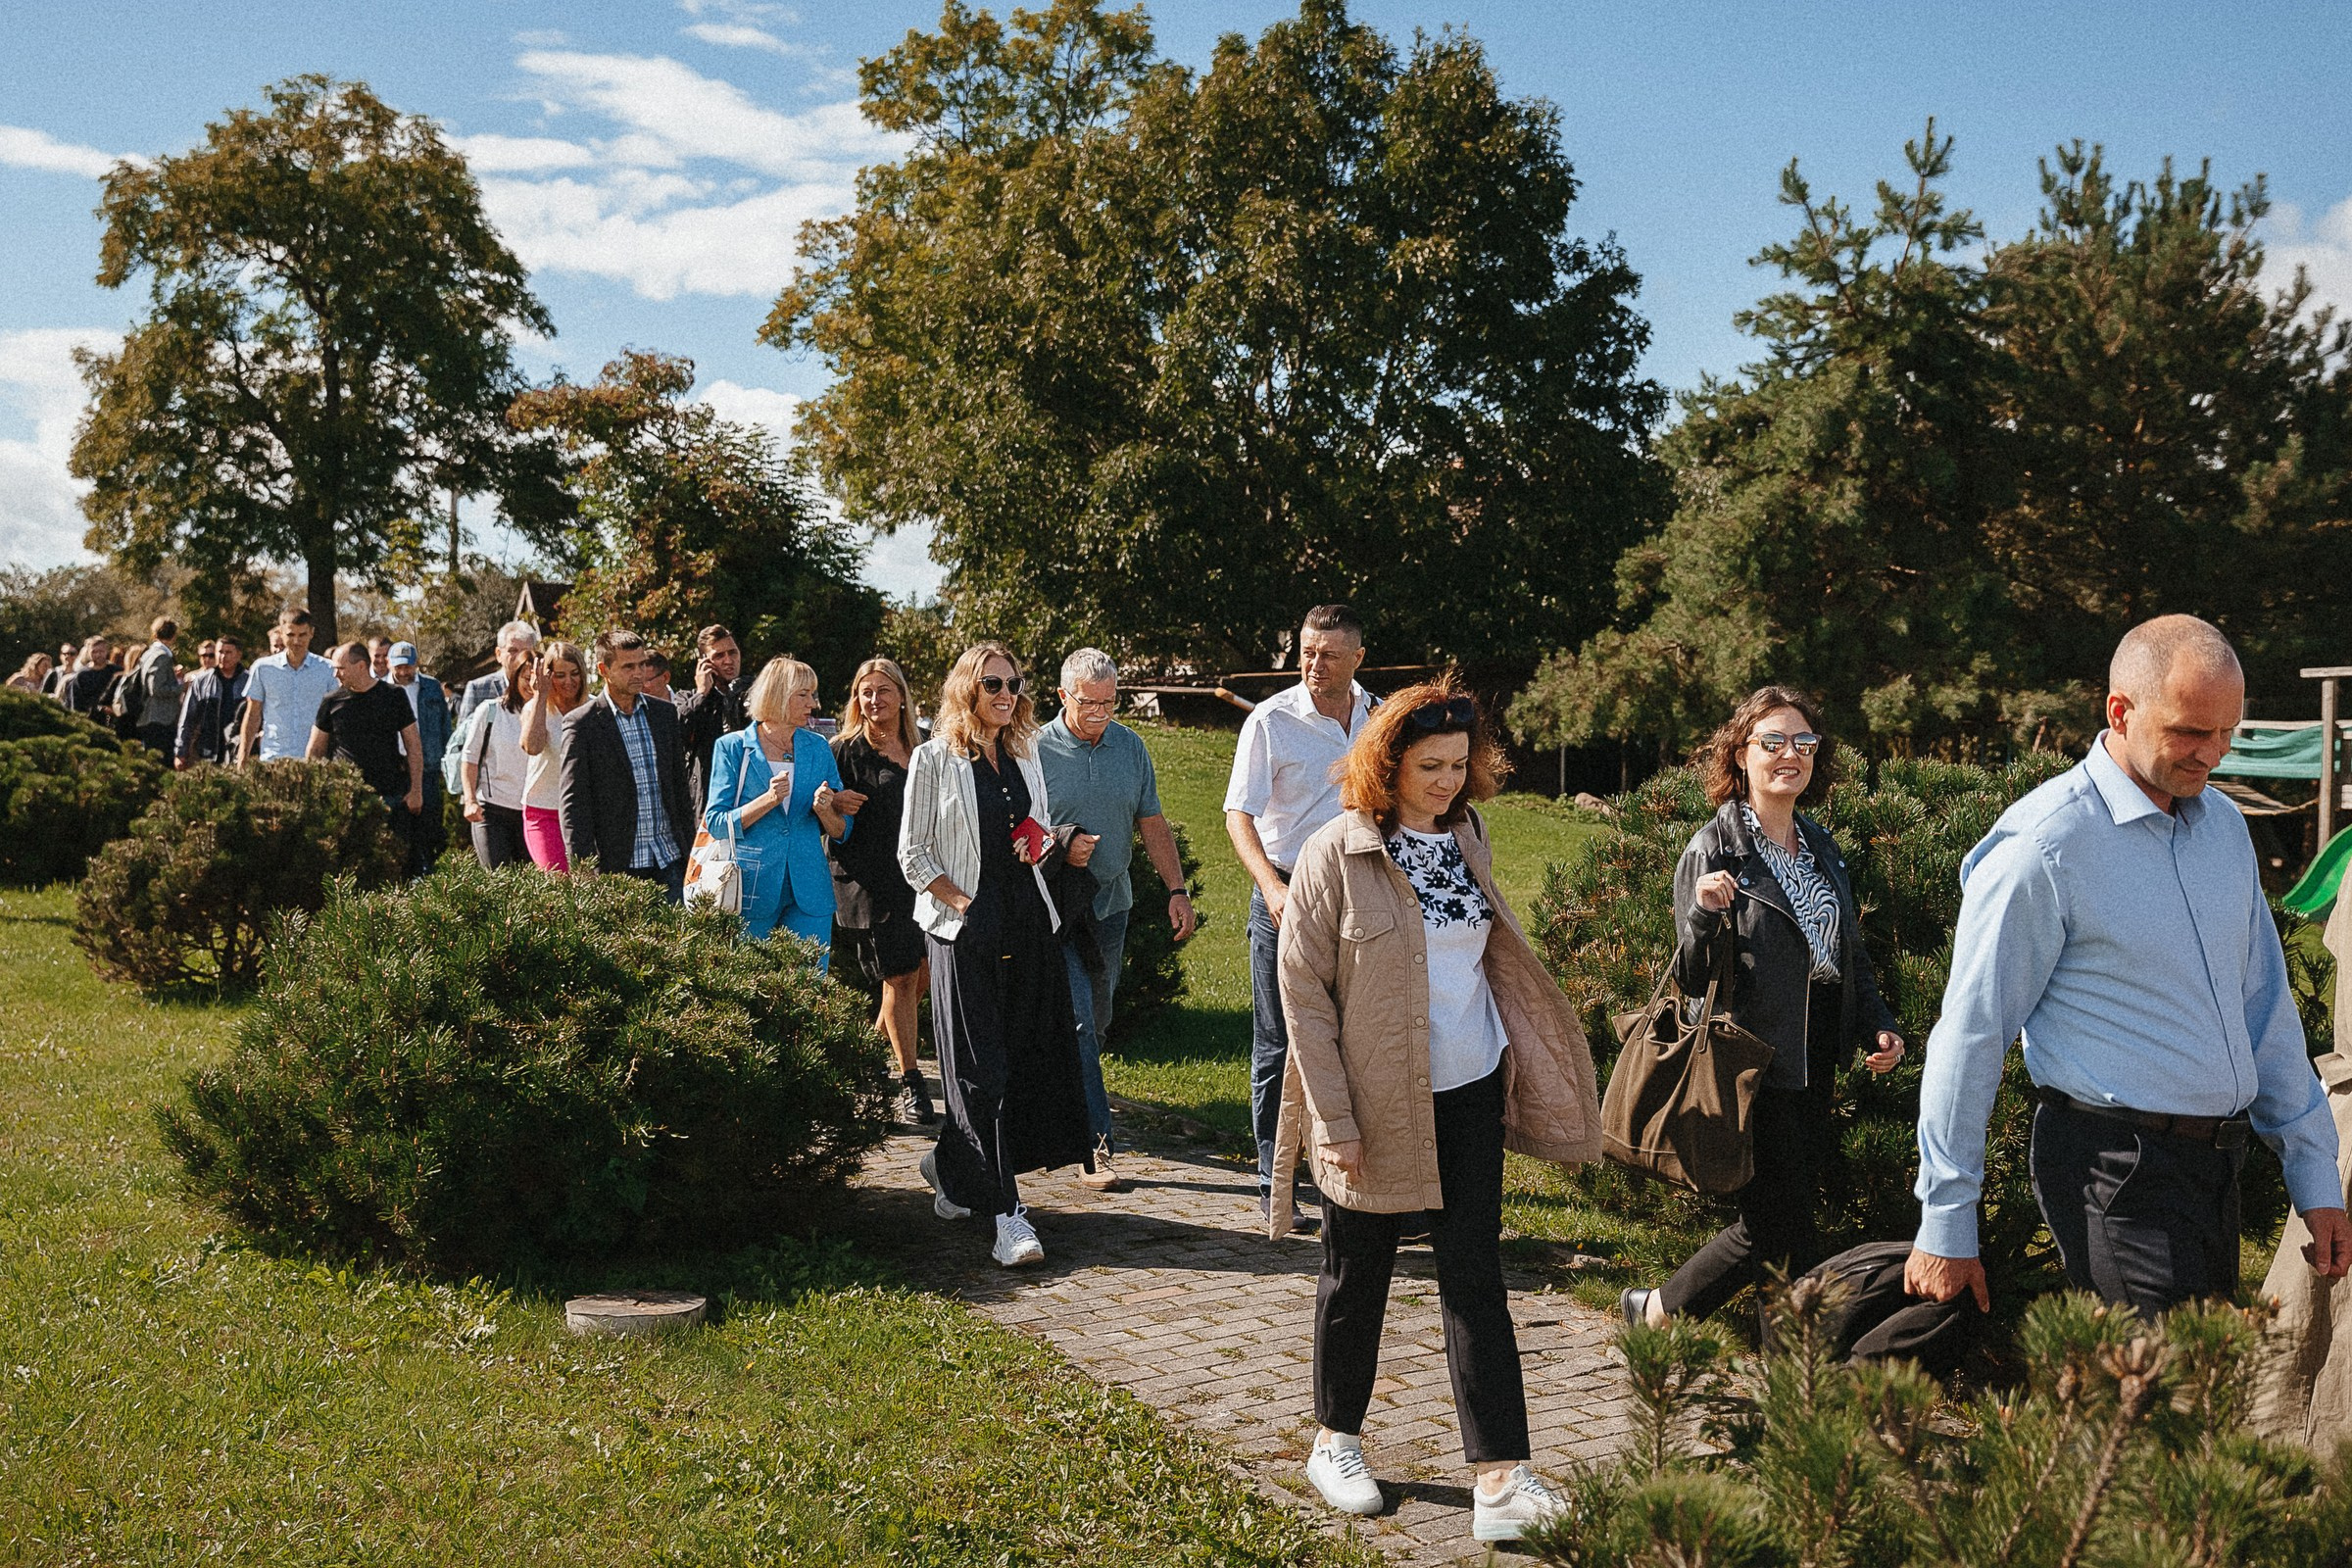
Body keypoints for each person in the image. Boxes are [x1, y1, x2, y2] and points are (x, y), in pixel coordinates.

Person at [1909, 614, 2351, 1317]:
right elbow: (1970, 1035)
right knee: (2163, 1403)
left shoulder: (2225, 829)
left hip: (2215, 1172)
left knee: (2191, 1405)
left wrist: (2313, 1172)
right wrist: (1945, 1220)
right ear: (2120, 711)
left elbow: (2263, 1009)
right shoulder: (2045, 846)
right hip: (2113, 1171)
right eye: (2189, 732)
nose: (2212, 754)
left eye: (2226, 732)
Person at [1272, 680, 1598, 1544]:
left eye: (1460, 764)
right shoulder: (1334, 854)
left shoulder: (1469, 837)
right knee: (1358, 1268)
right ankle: (1335, 1440)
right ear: (1387, 763)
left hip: (1470, 1089)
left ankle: (1500, 1478)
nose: (1448, 782)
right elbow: (1301, 994)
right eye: (1430, 766)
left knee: (1474, 1275)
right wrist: (1334, 1119)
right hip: (1374, 1102)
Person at [1616, 686, 1906, 1332]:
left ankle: (1665, 1312)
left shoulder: (1822, 846)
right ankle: (1791, 1360)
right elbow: (1691, 980)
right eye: (1772, 742)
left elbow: (1847, 953)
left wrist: (1877, 1024)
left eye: (1803, 743)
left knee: (1780, 1221)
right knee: (1780, 1220)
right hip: (1750, 1061)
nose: (1790, 755)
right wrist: (1703, 912)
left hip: (1815, 1055)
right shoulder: (1714, 849)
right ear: (1741, 755)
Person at [901, 642, 1095, 1268]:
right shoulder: (933, 759)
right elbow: (913, 854)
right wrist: (960, 902)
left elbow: (1031, 831)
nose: (1005, 695)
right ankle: (1008, 1214)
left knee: (1017, 1061)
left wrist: (1047, 844)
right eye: (991, 684)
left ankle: (953, 1162)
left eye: (1013, 684)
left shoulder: (1024, 751)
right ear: (966, 690)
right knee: (978, 1068)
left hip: (1027, 923)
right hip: (963, 930)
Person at [1224, 603, 1377, 1232]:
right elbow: (1239, 816)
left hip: (1362, 892)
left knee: (1360, 1038)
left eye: (1329, 655)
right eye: (1308, 653)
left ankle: (1348, 1182)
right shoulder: (1270, 721)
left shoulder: (1381, 718)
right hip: (1287, 893)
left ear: (1357, 659)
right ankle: (1274, 1180)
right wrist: (1272, 888)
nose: (1314, 665)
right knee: (1280, 1041)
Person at [1038, 648, 1198, 1192]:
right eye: (1090, 703)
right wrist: (1058, 845)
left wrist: (1176, 890)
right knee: (1081, 1022)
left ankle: (1063, 1112)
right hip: (1053, 910)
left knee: (1097, 1021)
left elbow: (1151, 822)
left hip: (1111, 906)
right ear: (1062, 696)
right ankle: (1097, 1147)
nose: (1101, 713)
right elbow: (1010, 826)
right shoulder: (1033, 750)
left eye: (1110, 703)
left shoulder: (1130, 747)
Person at [831, 657, 936, 1124]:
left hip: (922, 877)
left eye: (883, 691)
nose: (874, 700)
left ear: (901, 695)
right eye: (865, 692)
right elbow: (824, 810)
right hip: (871, 879)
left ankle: (865, 1059)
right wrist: (832, 802)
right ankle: (912, 1085)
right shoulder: (845, 751)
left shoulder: (924, 745)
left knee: (924, 973)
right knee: (900, 977)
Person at [704, 658, 856, 955]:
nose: (813, 703)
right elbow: (717, 823)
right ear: (776, 694)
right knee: (746, 988)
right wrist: (767, 801)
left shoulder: (818, 747)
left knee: (809, 990)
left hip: (810, 891)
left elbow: (842, 831)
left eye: (813, 694)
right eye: (803, 694)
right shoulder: (732, 747)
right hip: (748, 890)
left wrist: (826, 809)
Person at [561, 629, 693, 899]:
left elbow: (680, 789)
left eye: (642, 664)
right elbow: (574, 805)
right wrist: (583, 869)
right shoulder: (582, 724)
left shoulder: (664, 715)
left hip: (669, 858)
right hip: (618, 865)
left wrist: (691, 850)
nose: (638, 673)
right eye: (628, 666)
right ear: (604, 669)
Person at [307, 641, 425, 864]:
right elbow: (315, 750)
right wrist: (314, 792)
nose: (335, 674)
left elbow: (413, 746)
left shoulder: (394, 696)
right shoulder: (331, 701)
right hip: (346, 798)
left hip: (388, 796)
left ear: (361, 666)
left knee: (392, 864)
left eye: (340, 668)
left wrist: (416, 790)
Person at [460, 649, 535, 869]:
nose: (531, 685)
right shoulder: (491, 711)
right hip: (492, 812)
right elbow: (470, 757)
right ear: (514, 678)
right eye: (526, 678)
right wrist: (470, 800)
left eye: (536, 679)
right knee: (498, 879)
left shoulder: (550, 715)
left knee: (533, 886)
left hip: (532, 813)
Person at [518, 640, 589, 871]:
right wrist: (540, 697)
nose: (569, 682)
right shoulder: (536, 708)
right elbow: (532, 746)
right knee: (558, 879)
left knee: (588, 883)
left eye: (574, 673)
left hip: (584, 812)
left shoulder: (593, 707)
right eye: (560, 675)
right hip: (544, 811)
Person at [384, 641, 451, 877]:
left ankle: (430, 876)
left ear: (416, 665)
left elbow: (445, 726)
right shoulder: (381, 689)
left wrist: (444, 759)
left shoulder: (432, 687)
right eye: (399, 667)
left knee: (430, 823)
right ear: (389, 664)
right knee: (398, 826)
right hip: (395, 766)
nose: (403, 673)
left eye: (408, 667)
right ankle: (403, 875)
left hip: (428, 765)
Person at [239, 607, 339, 764]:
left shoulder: (328, 669)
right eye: (290, 635)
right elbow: (252, 715)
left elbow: (337, 716)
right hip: (273, 758)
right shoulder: (263, 668)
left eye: (302, 635)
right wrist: (242, 760)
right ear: (281, 633)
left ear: (312, 632)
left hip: (314, 761)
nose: (297, 641)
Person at [676, 623, 751, 820]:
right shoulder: (688, 699)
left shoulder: (753, 692)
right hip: (708, 802)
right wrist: (702, 693)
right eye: (719, 656)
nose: (728, 660)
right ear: (704, 662)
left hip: (750, 798)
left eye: (733, 653)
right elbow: (677, 734)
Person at [174, 633, 248, 768]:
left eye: (228, 652)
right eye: (220, 652)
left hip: (238, 752)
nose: (223, 656)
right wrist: (181, 752)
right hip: (207, 752)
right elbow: (187, 719)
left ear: (238, 655)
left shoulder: (249, 682)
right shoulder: (201, 682)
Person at [456, 620, 540, 727]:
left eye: (525, 651)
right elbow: (462, 737)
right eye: (512, 650)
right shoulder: (478, 689)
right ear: (499, 654)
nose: (519, 656)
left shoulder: (541, 688)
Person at [126, 617, 184, 756]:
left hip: (149, 716)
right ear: (174, 636)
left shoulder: (148, 653)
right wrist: (182, 686)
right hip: (159, 718)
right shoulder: (162, 656)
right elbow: (156, 689)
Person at [58, 636, 114, 714]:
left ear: (107, 651)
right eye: (94, 651)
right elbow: (75, 706)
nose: (98, 654)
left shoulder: (116, 672)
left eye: (101, 651)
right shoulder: (81, 676)